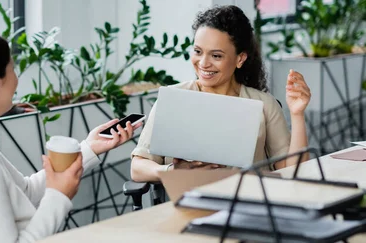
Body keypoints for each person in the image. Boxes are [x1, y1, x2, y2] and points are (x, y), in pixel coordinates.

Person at [0, 31, 141, 243]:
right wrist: (59, 196)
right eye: (12, 69)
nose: (16, 80)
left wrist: (89, 148)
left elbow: (25, 192)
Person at [130, 5, 311, 182]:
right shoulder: (171, 99)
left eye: (216, 56)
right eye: (198, 51)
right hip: (188, 204)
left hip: (249, 204)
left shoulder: (264, 104)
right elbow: (138, 168)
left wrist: (297, 114)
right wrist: (172, 171)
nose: (203, 63)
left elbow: (293, 172)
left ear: (240, 58)